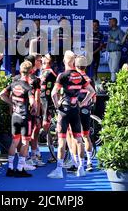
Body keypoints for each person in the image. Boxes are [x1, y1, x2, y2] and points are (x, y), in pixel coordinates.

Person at [47, 51, 96, 179]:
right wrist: (83, 103)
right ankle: (81, 167)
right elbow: (91, 91)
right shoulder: (80, 76)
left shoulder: (62, 75)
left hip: (64, 110)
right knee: (79, 140)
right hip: (76, 110)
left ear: (64, 61)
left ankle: (59, 170)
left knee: (62, 140)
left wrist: (57, 105)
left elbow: (53, 93)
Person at [0, 61, 37, 178]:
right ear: (31, 72)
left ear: (20, 71)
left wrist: (12, 103)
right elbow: (33, 103)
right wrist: (34, 109)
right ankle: (20, 169)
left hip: (15, 115)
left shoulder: (14, 84)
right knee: (25, 142)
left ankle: (10, 168)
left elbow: (1, 94)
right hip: (25, 117)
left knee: (14, 141)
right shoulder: (29, 87)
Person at [75, 55, 96, 172]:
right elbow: (94, 97)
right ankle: (89, 162)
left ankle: (77, 163)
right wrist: (86, 103)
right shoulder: (89, 79)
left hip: (74, 108)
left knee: (76, 137)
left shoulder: (73, 77)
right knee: (86, 136)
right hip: (86, 109)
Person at [106, 17, 124, 82]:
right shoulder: (109, 32)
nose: (109, 23)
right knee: (111, 70)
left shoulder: (120, 31)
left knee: (114, 69)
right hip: (109, 53)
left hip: (116, 52)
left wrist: (113, 40)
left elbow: (122, 43)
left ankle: (113, 83)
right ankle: (115, 83)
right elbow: (108, 42)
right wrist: (106, 51)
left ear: (115, 23)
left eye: (110, 22)